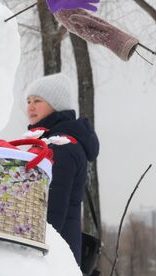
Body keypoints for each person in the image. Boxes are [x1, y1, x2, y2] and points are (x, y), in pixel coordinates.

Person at [24, 73, 99, 263]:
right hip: (55, 249)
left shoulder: (60, 147)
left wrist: (32, 249)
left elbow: (52, 209)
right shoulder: (51, 142)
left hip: (51, 254)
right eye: (28, 100)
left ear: (55, 105)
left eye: (38, 100)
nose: (30, 106)